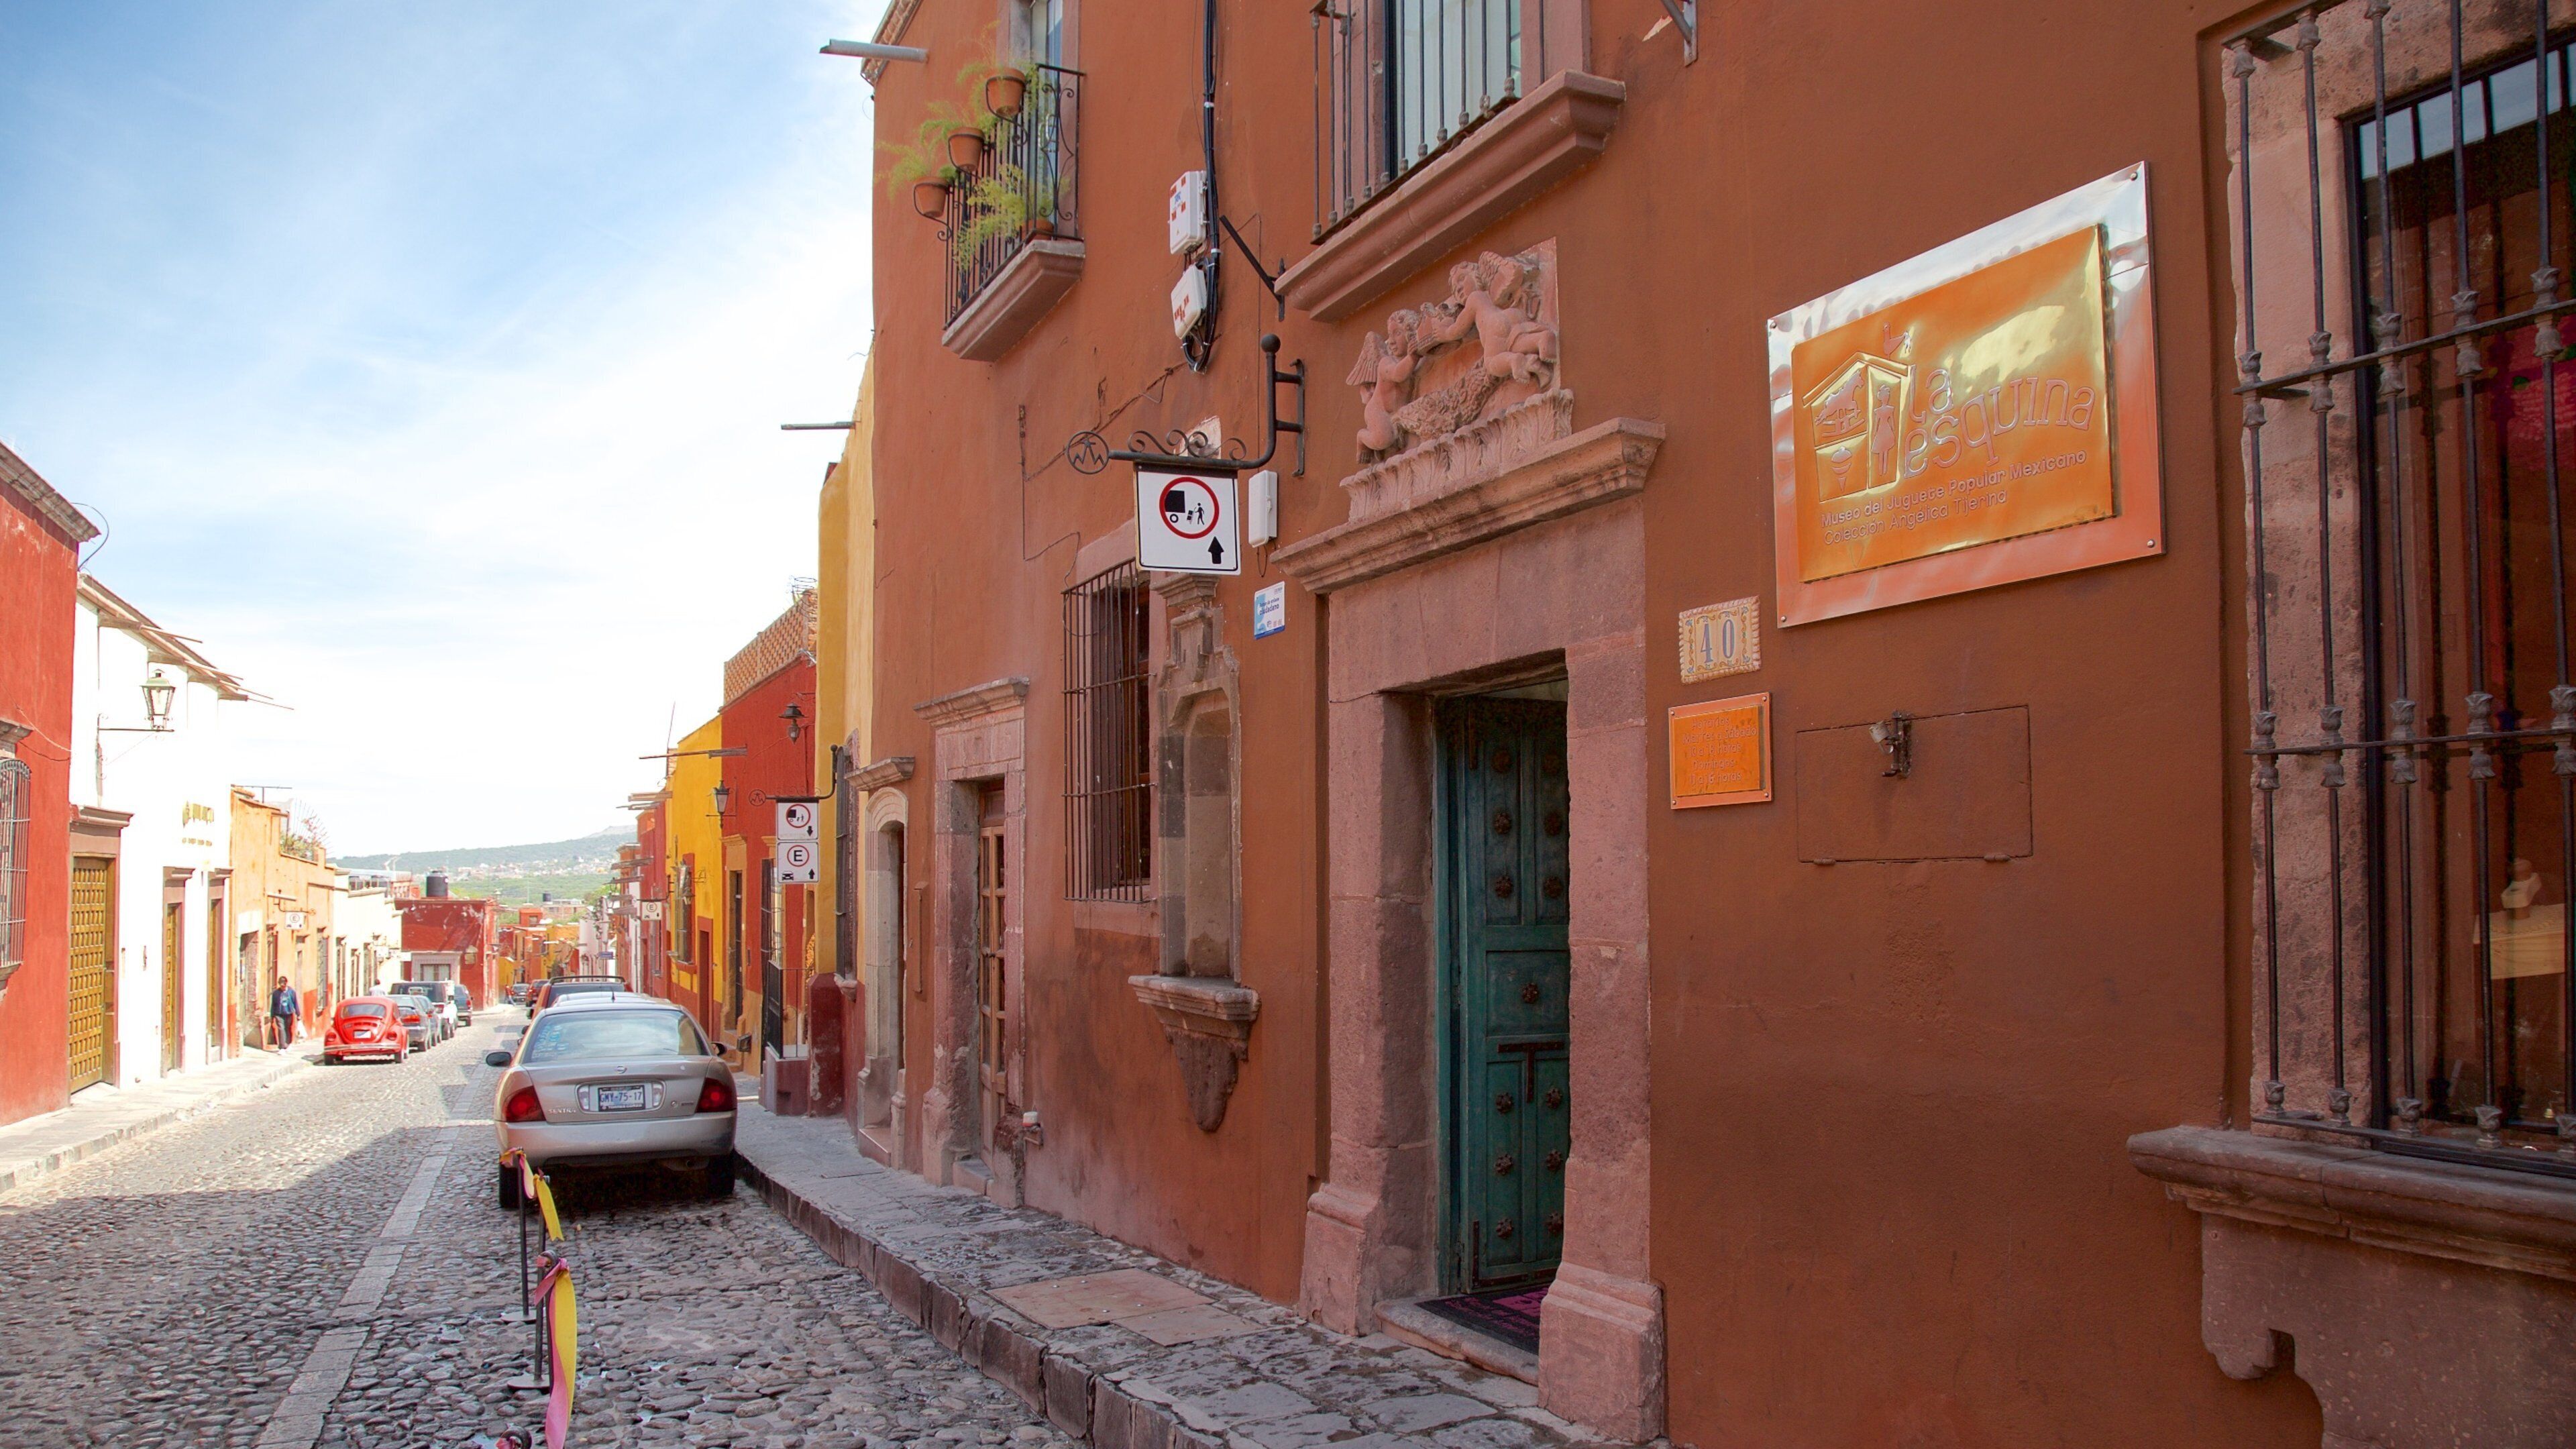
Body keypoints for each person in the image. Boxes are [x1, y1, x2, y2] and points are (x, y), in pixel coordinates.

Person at [269, 975, 299, 1050]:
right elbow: (273, 1005)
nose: (282, 987)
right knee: (281, 1029)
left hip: (289, 1013)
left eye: (284, 985)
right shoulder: (276, 993)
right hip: (279, 1014)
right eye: (281, 985)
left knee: (288, 1029)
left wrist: (298, 1014)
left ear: (286, 984)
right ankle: (282, 1047)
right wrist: (272, 1016)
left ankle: (288, 1043)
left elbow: (295, 1003)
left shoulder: (292, 992)